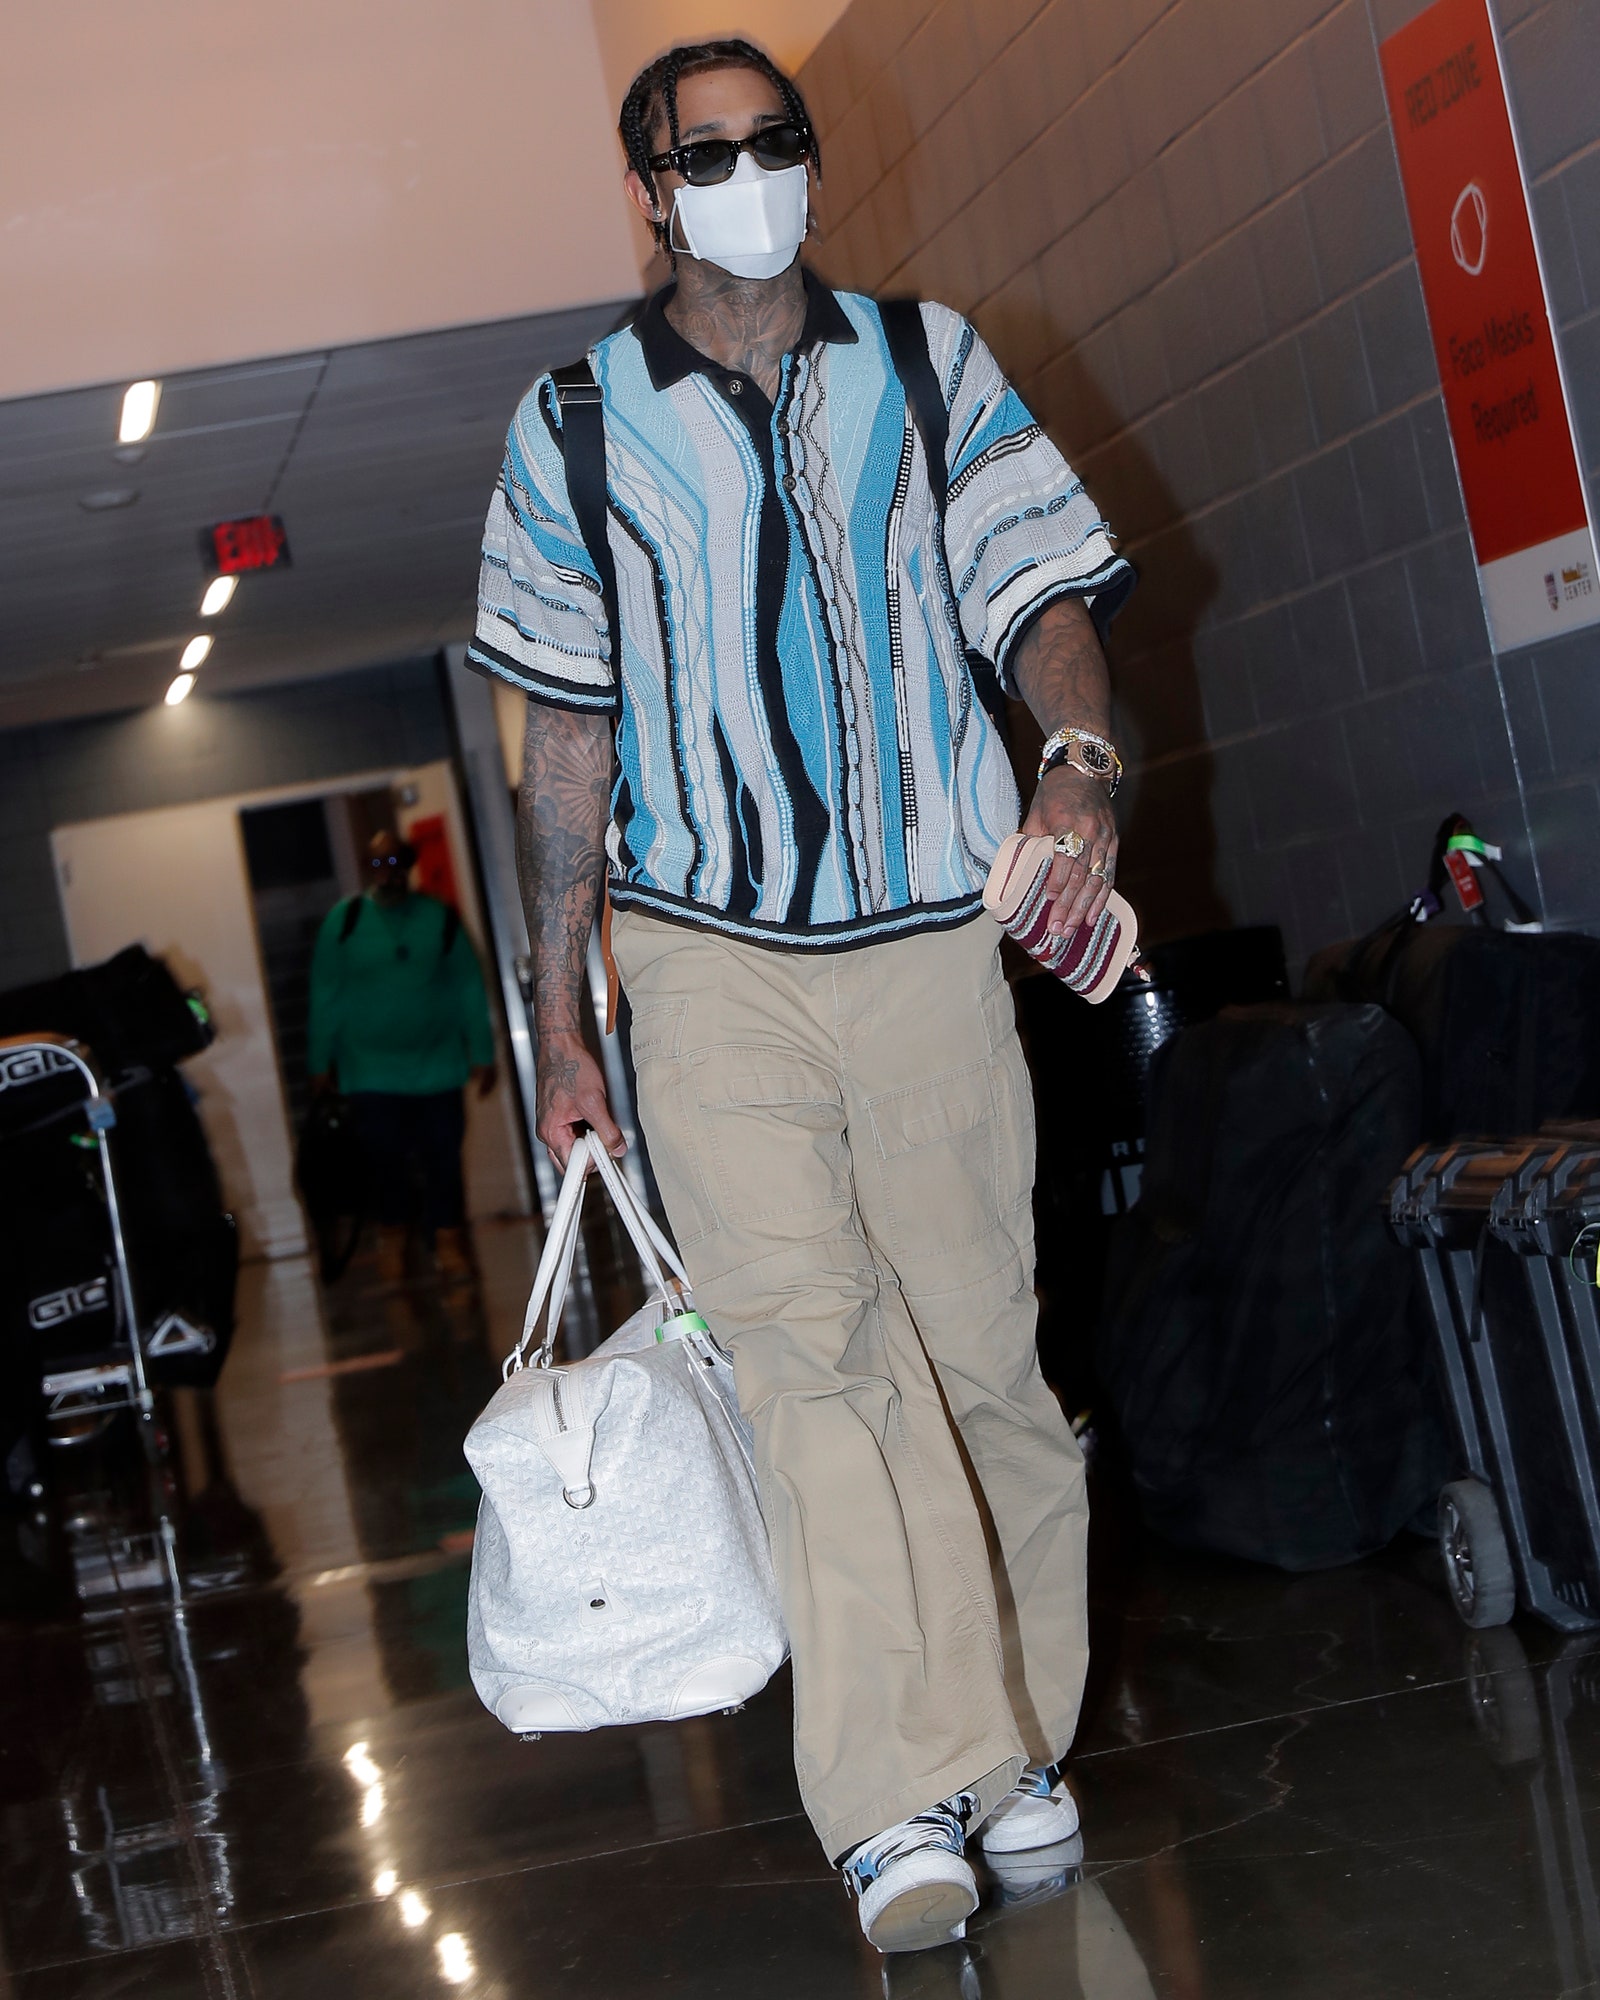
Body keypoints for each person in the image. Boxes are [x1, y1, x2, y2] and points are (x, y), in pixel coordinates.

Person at [468, 39, 1133, 1955]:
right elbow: (567, 743)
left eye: (783, 140)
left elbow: (1044, 593)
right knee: (815, 1364)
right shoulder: (575, 424)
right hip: (707, 955)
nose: (755, 171)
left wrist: (1074, 759)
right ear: (648, 189)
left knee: (981, 1364)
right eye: (713, 150)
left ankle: (1015, 1747)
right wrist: (565, 1019)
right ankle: (889, 1790)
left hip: (929, 938)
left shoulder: (931, 366)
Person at [307, 829, 497, 1284]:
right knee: (383, 1162)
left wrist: (483, 1053)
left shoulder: (440, 919)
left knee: (443, 1161)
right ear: (367, 870)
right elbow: (325, 994)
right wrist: (319, 1062)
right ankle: (394, 1245)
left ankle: (449, 1244)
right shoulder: (344, 921)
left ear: (407, 867)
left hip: (438, 1068)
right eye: (378, 865)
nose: (387, 873)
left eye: (395, 864)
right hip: (369, 1070)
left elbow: (468, 987)